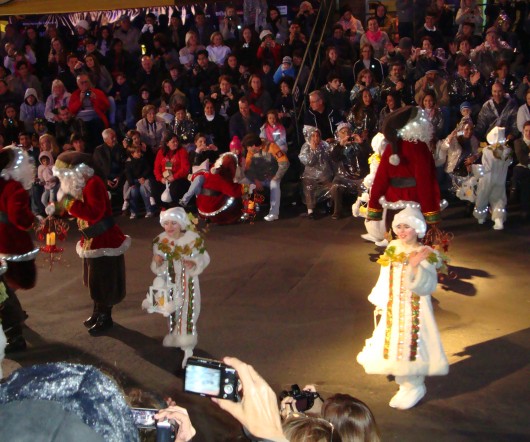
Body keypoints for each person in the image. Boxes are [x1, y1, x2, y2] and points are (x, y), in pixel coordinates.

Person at [357, 206, 449, 410]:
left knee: (410, 347)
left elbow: (428, 285)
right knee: (394, 346)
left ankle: (414, 386)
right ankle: (404, 384)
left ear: (417, 228)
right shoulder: (393, 248)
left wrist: (415, 266)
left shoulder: (425, 253)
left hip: (414, 311)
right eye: (398, 226)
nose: (401, 231)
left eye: (406, 226)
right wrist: (380, 299)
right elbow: (384, 275)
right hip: (393, 308)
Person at [48, 151, 131, 334]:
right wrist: (57, 209)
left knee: (103, 279)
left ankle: (105, 316)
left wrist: (69, 203)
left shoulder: (93, 184)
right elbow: (71, 202)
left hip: (103, 239)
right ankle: (97, 311)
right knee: (95, 279)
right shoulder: (82, 184)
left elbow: (94, 213)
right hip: (91, 239)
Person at [142, 207, 210, 368]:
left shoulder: (193, 240)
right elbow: (159, 268)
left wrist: (194, 263)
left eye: (174, 223)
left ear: (181, 224)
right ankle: (174, 337)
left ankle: (188, 348)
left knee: (187, 312)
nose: (170, 227)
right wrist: (157, 262)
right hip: (170, 282)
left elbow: (204, 258)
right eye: (166, 223)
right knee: (171, 313)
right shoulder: (160, 241)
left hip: (188, 283)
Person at [367, 106, 443, 230]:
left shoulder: (390, 147)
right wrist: (431, 213)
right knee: (414, 246)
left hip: (392, 206)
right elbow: (425, 183)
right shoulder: (420, 148)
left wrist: (374, 207)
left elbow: (380, 180)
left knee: (395, 245)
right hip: (415, 208)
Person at [0, 147, 39, 353]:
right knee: (6, 288)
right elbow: (19, 217)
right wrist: (34, 219)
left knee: (5, 286)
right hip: (11, 242)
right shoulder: (14, 187)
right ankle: (15, 332)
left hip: (2, 241)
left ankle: (14, 325)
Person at [241, 132, 289, 222]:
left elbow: (284, 163)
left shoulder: (272, 147)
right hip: (259, 178)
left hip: (273, 177)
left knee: (275, 184)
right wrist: (255, 180)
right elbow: (248, 168)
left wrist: (276, 176)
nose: (247, 149)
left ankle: (274, 213)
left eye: (248, 147)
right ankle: (248, 210)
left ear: (254, 145)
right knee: (245, 182)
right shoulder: (251, 152)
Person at [473, 127, 512, 230]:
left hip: (487, 179)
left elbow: (487, 167)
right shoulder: (507, 150)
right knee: (499, 198)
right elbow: (509, 163)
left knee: (482, 197)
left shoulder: (487, 150)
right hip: (500, 179)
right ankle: (498, 220)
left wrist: (476, 169)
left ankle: (481, 217)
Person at [329, 122, 368, 219]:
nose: (346, 134)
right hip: (343, 177)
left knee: (365, 185)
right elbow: (334, 158)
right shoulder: (336, 145)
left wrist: (361, 143)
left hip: (359, 176)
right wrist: (341, 146)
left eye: (348, 131)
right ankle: (337, 212)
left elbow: (369, 153)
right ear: (338, 134)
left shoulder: (357, 143)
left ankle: (362, 211)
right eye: (343, 132)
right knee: (336, 186)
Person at [195, 152, 244, 225]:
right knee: (236, 198)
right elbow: (235, 192)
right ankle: (232, 217)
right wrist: (247, 187)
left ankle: (207, 217)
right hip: (214, 210)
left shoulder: (211, 170)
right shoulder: (223, 175)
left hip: (202, 209)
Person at [298, 127, 334, 220]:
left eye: (317, 135)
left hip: (324, 174)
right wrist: (313, 151)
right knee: (308, 186)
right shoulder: (306, 146)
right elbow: (309, 162)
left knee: (332, 186)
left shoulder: (324, 145)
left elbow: (331, 158)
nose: (315, 138)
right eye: (313, 136)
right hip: (310, 175)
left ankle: (329, 205)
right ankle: (310, 211)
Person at [153, 132, 190, 207]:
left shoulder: (182, 151)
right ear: (167, 143)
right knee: (155, 188)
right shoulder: (161, 152)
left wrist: (174, 177)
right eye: (173, 142)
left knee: (174, 188)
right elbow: (156, 168)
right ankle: (164, 208)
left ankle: (176, 209)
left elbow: (185, 169)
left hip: (179, 178)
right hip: (165, 179)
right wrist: (161, 178)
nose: (176, 143)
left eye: (177, 141)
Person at [512, 121, 530, 220]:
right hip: (522, 167)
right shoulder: (518, 142)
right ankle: (524, 209)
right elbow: (522, 158)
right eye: (526, 131)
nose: (528, 133)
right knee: (526, 180)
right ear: (523, 131)